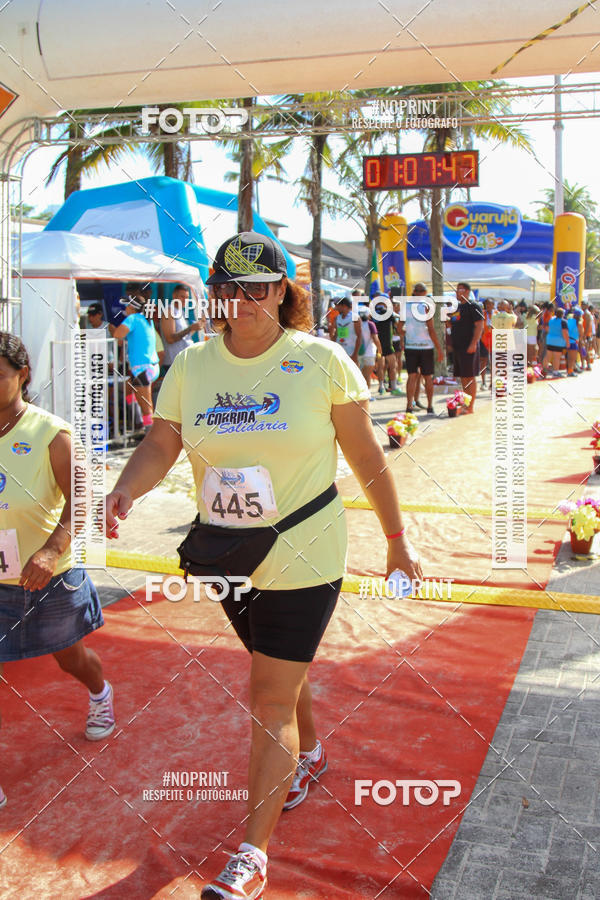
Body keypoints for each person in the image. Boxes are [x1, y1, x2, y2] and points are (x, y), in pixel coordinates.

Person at [104, 231, 422, 900]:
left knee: (268, 694)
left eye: (257, 287)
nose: (241, 300)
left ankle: (252, 856)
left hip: (307, 550)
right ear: (214, 294)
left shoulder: (322, 360)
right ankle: (309, 754)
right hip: (227, 553)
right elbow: (164, 440)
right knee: (278, 668)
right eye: (228, 287)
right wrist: (128, 486)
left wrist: (397, 539)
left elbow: (367, 459)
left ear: (282, 291)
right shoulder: (191, 367)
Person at [0, 333, 115, 807]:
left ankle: (100, 692)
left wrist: (50, 551)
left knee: (71, 657)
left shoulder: (51, 433)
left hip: (46, 576)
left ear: (22, 376)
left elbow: (82, 498)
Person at [112, 284, 159, 431]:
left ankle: (149, 436)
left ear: (131, 307)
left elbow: (117, 335)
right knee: (128, 389)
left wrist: (112, 328)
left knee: (148, 409)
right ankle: (138, 423)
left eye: (126, 306)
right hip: (150, 367)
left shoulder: (132, 318)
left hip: (142, 368)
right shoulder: (146, 319)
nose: (124, 309)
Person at [400, 283, 443, 415]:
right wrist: (439, 349)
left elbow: (399, 327)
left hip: (411, 346)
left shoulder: (405, 306)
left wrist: (406, 336)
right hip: (425, 346)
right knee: (428, 377)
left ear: (414, 292)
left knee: (411, 376)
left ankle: (409, 406)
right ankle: (430, 406)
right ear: (424, 293)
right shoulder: (426, 307)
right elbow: (430, 329)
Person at [449, 282, 483, 413]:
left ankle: (471, 406)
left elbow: (479, 325)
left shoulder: (474, 306)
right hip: (458, 347)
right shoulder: (455, 307)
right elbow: (452, 324)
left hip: (469, 346)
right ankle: (465, 404)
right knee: (463, 377)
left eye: (461, 290)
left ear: (468, 292)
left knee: (470, 376)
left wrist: (474, 343)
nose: (458, 292)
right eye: (457, 290)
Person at [160, 284, 204, 370]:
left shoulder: (181, 311)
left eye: (187, 297)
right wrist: (190, 328)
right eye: (182, 297)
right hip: (174, 362)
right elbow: (170, 339)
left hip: (184, 360)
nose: (185, 300)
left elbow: (184, 336)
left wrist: (196, 327)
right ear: (174, 296)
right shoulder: (169, 311)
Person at [373, 296, 402, 396]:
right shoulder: (389, 313)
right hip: (388, 344)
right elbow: (397, 321)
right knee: (393, 366)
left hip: (378, 344)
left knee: (380, 367)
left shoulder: (373, 313)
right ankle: (393, 387)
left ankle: (381, 387)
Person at [357, 306, 382, 396]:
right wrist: (380, 350)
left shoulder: (355, 324)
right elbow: (375, 339)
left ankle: (360, 394)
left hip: (357, 353)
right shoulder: (370, 324)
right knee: (367, 376)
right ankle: (367, 395)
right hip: (369, 353)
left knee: (359, 375)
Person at [331, 297, 362, 364]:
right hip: (339, 352)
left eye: (337, 305)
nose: (336, 308)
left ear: (344, 306)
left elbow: (359, 336)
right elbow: (336, 334)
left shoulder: (355, 317)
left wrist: (355, 354)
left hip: (351, 352)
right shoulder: (337, 318)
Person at [545, 306, 569, 376]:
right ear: (562, 314)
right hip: (558, 342)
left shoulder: (551, 320)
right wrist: (567, 342)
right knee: (556, 357)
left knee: (547, 356)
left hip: (549, 340)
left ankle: (544, 370)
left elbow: (547, 328)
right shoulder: (563, 322)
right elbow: (565, 333)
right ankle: (555, 372)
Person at [479, 299, 494, 388]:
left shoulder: (496, 314)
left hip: (494, 340)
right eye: (486, 304)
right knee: (483, 361)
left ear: (493, 305)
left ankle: (492, 382)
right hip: (483, 340)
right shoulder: (482, 313)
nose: (488, 306)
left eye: (490, 304)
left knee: (493, 361)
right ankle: (483, 381)